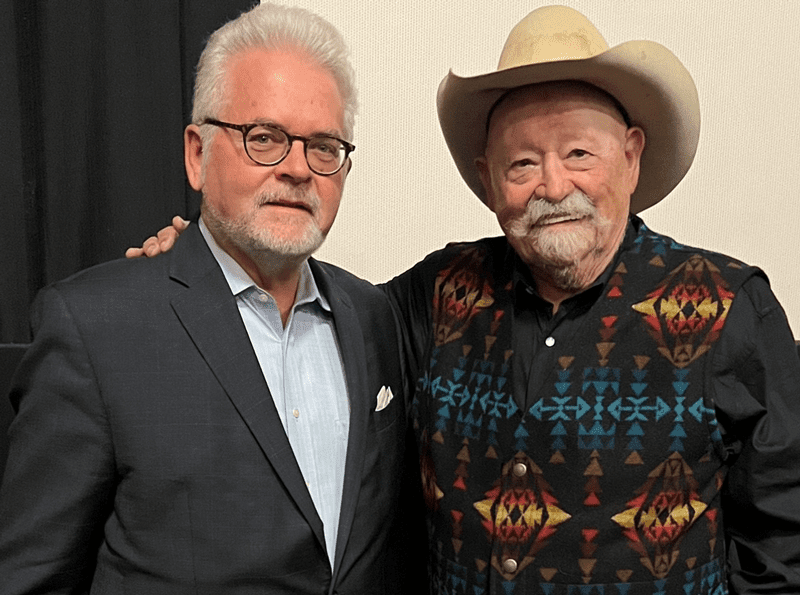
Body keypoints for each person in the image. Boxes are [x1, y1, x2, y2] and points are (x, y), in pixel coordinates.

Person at [131, 6, 800, 594]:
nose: (552, 183)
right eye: (521, 163)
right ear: (487, 180)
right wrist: (206, 263)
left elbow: (785, 542)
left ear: (630, 157)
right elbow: (308, 313)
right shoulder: (437, 292)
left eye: (578, 153)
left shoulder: (732, 306)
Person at [0, 3, 418, 594]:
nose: (298, 168)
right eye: (264, 138)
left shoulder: (376, 318)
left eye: (324, 147)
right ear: (198, 154)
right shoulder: (95, 328)